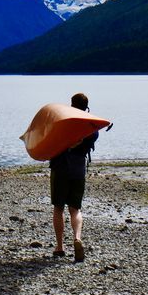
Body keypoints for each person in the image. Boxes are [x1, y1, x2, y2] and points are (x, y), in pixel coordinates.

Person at [50, 92, 98, 262]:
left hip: (60, 167)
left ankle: (60, 247)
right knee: (75, 209)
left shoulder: (64, 123)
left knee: (58, 207)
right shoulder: (92, 129)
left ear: (71, 105)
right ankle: (77, 238)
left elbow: (51, 140)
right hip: (78, 170)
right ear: (86, 106)